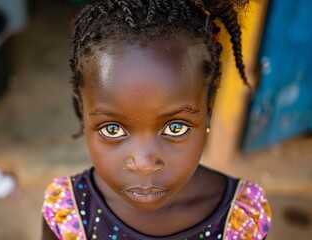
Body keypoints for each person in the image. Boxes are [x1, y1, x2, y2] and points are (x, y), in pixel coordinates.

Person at [42, 0, 271, 239]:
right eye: (112, 129)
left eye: (175, 127)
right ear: (82, 114)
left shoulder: (243, 220)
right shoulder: (67, 214)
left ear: (208, 111)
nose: (143, 163)